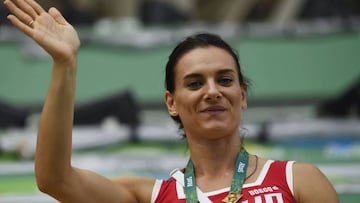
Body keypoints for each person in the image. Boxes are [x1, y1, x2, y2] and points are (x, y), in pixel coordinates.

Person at [4, 0, 339, 202]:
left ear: (243, 95)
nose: (212, 91)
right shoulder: (150, 196)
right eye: (194, 83)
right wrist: (66, 64)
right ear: (171, 102)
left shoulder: (300, 181)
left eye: (225, 80)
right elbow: (54, 179)